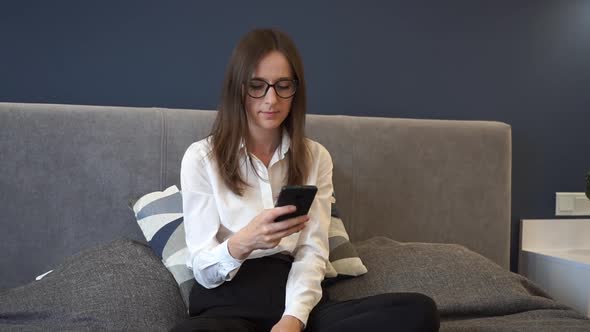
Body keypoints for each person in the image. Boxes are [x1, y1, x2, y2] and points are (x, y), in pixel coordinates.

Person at [172, 28, 440, 332]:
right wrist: (245, 241)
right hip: (229, 306)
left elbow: (312, 251)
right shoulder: (201, 158)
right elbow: (204, 270)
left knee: (418, 311)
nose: (271, 99)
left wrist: (293, 320)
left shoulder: (316, 157)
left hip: (298, 306)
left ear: (295, 90)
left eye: (283, 86)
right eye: (258, 86)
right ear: (239, 88)